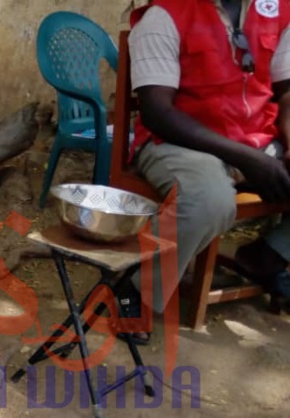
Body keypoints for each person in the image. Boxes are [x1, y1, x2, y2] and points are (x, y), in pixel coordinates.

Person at [124, 0, 290, 340]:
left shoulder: (279, 10)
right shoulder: (164, 15)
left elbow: (287, 92)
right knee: (208, 201)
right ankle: (134, 289)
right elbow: (158, 114)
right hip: (179, 144)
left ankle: (269, 254)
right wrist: (248, 159)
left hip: (256, 141)